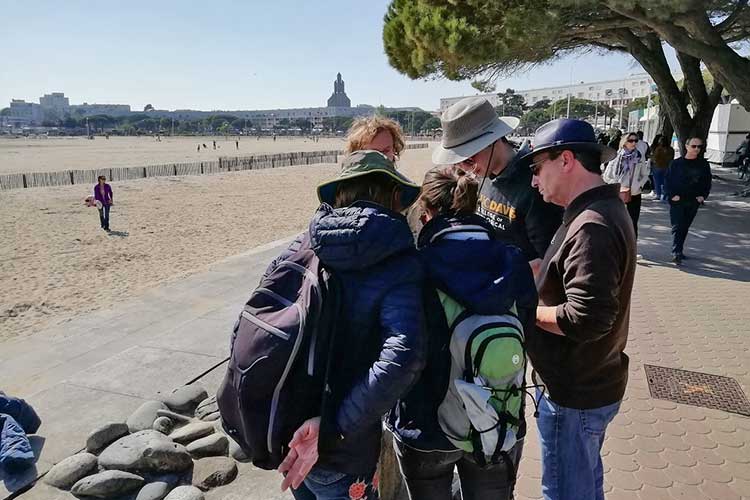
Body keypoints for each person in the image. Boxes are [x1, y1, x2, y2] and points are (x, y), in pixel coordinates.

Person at [276, 151, 427, 500]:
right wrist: (333, 427)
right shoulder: (399, 260)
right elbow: (404, 356)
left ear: (340, 194)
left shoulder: (306, 244)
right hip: (342, 448)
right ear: (393, 196)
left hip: (291, 432)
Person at [388, 166, 537, 500]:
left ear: (425, 213)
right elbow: (526, 333)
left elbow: (404, 350)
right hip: (495, 418)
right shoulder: (513, 262)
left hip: (426, 425)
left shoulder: (416, 267)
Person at [521, 119, 636, 500]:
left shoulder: (592, 225)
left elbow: (586, 318)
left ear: (566, 159)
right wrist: (539, 274)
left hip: (575, 391)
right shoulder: (596, 209)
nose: (535, 181)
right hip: (591, 383)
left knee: (567, 491)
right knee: (584, 484)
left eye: (538, 169)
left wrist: (525, 311)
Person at [433, 97, 562, 276]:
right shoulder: (481, 174)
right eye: (458, 163)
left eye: (469, 159)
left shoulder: (536, 184)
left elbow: (548, 263)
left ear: (494, 140)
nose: (466, 169)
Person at [665, 137, 712, 264]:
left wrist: (703, 196)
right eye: (693, 146)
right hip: (677, 200)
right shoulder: (675, 164)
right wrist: (671, 195)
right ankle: (676, 252)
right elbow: (667, 181)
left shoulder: (703, 164)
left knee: (685, 226)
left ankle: (679, 249)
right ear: (686, 146)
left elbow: (707, 182)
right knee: (677, 225)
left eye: (699, 147)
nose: (696, 149)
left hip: (693, 201)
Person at [603, 132, 650, 239]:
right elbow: (606, 176)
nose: (634, 143)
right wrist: (616, 185)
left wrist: (639, 185)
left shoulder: (639, 156)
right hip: (618, 193)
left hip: (634, 193)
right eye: (631, 141)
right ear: (624, 142)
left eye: (636, 141)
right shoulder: (616, 157)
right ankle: (618, 249)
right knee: (618, 222)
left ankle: (632, 250)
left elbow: (645, 173)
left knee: (632, 223)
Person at [650, 136, 674, 202]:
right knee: (665, 182)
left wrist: (652, 159)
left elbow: (654, 158)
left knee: (657, 182)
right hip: (667, 167)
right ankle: (665, 195)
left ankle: (658, 195)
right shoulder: (671, 149)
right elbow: (672, 158)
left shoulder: (658, 149)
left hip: (657, 167)